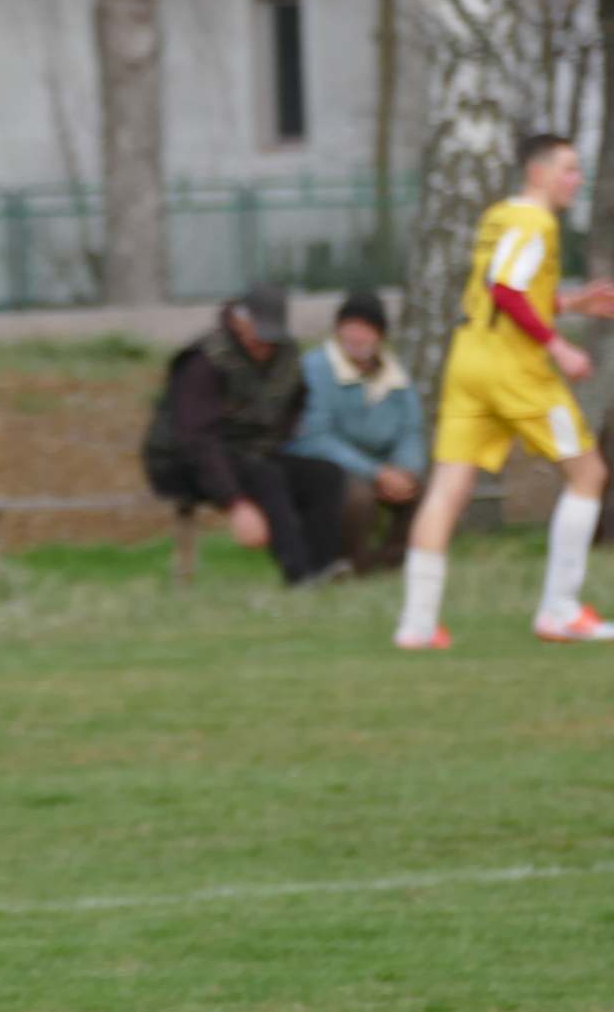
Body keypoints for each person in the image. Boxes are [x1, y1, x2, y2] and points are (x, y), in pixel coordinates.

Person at [395, 133, 614, 649]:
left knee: (448, 487)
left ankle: (418, 625)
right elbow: (505, 290)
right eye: (568, 169)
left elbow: (501, 290)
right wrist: (559, 346)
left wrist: (569, 304)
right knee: (588, 473)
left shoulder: (499, 216)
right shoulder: (537, 223)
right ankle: (560, 611)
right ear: (537, 173)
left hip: (467, 362)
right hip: (514, 370)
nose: (576, 179)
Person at [145, 284, 346, 585]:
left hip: (249, 455)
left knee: (325, 475)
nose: (263, 345)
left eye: (271, 337)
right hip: (182, 463)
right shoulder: (205, 361)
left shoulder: (287, 356)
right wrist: (235, 503)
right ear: (239, 320)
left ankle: (324, 569)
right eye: (258, 334)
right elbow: (197, 441)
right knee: (266, 476)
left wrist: (272, 443)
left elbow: (295, 405)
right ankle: (300, 577)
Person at [288, 290, 425, 574]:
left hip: (380, 464)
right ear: (338, 330)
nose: (357, 336)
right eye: (350, 327)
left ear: (380, 335)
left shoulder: (395, 374)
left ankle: (393, 562)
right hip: (325, 465)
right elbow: (316, 437)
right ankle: (352, 564)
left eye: (366, 328)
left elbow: (411, 429)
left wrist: (404, 470)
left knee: (419, 488)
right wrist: (376, 473)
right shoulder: (315, 368)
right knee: (357, 497)